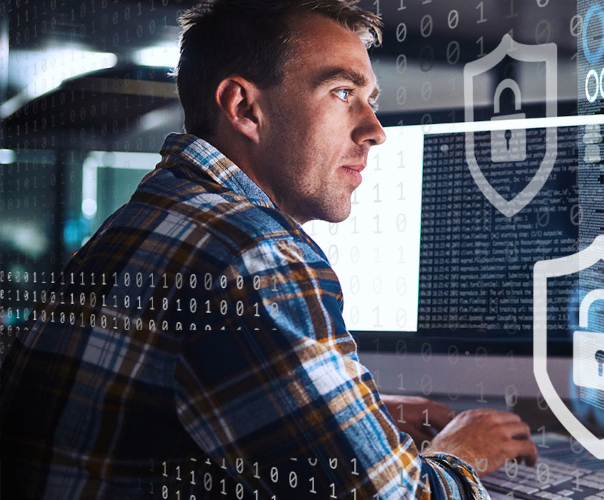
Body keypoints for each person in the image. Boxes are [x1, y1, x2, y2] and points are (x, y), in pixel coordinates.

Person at [0, 0, 537, 498]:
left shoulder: (153, 216)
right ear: (244, 108)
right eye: (342, 93)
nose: (375, 130)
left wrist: (349, 416)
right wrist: (463, 449)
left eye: (370, 101)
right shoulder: (254, 253)